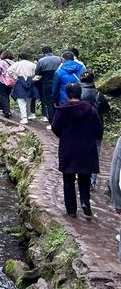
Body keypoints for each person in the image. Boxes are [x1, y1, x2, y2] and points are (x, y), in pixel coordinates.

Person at [51, 82, 102, 219]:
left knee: (68, 179)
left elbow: (55, 127)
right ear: (80, 93)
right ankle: (85, 202)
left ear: (67, 94)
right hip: (87, 148)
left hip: (68, 148)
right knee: (85, 177)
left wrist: (65, 135)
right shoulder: (90, 109)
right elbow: (98, 129)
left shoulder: (62, 110)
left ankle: (71, 210)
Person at [79, 71, 111, 187]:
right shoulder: (98, 95)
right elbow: (106, 109)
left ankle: (81, 174)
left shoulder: (76, 95)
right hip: (96, 129)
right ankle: (92, 180)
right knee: (94, 155)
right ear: (93, 81)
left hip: (79, 129)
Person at [8, 52, 38, 125]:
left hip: (20, 82)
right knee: (29, 100)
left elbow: (9, 70)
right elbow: (37, 71)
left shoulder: (17, 64)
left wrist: (14, 77)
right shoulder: (32, 64)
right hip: (30, 82)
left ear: (20, 57)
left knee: (21, 101)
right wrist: (33, 78)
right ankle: (28, 115)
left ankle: (24, 118)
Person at [35, 46, 61, 127]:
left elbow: (37, 73)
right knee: (57, 102)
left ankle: (52, 122)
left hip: (46, 83)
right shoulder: (59, 59)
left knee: (49, 103)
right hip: (58, 83)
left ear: (43, 53)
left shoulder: (41, 60)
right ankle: (59, 121)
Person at [0, 50, 15, 118]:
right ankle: (4, 109)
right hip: (11, 82)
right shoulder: (14, 63)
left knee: (3, 96)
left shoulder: (1, 62)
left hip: (2, 81)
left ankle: (7, 111)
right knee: (7, 96)